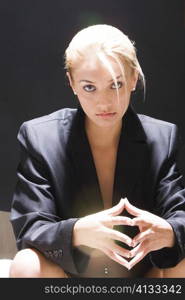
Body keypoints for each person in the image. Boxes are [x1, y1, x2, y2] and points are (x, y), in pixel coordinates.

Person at [10, 24, 185, 278]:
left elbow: (179, 214)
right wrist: (78, 231)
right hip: (71, 278)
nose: (104, 102)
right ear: (71, 82)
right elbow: (30, 227)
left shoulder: (161, 137)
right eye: (89, 87)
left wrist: (168, 232)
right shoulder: (40, 137)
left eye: (115, 84)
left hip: (140, 277)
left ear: (134, 79)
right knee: (26, 264)